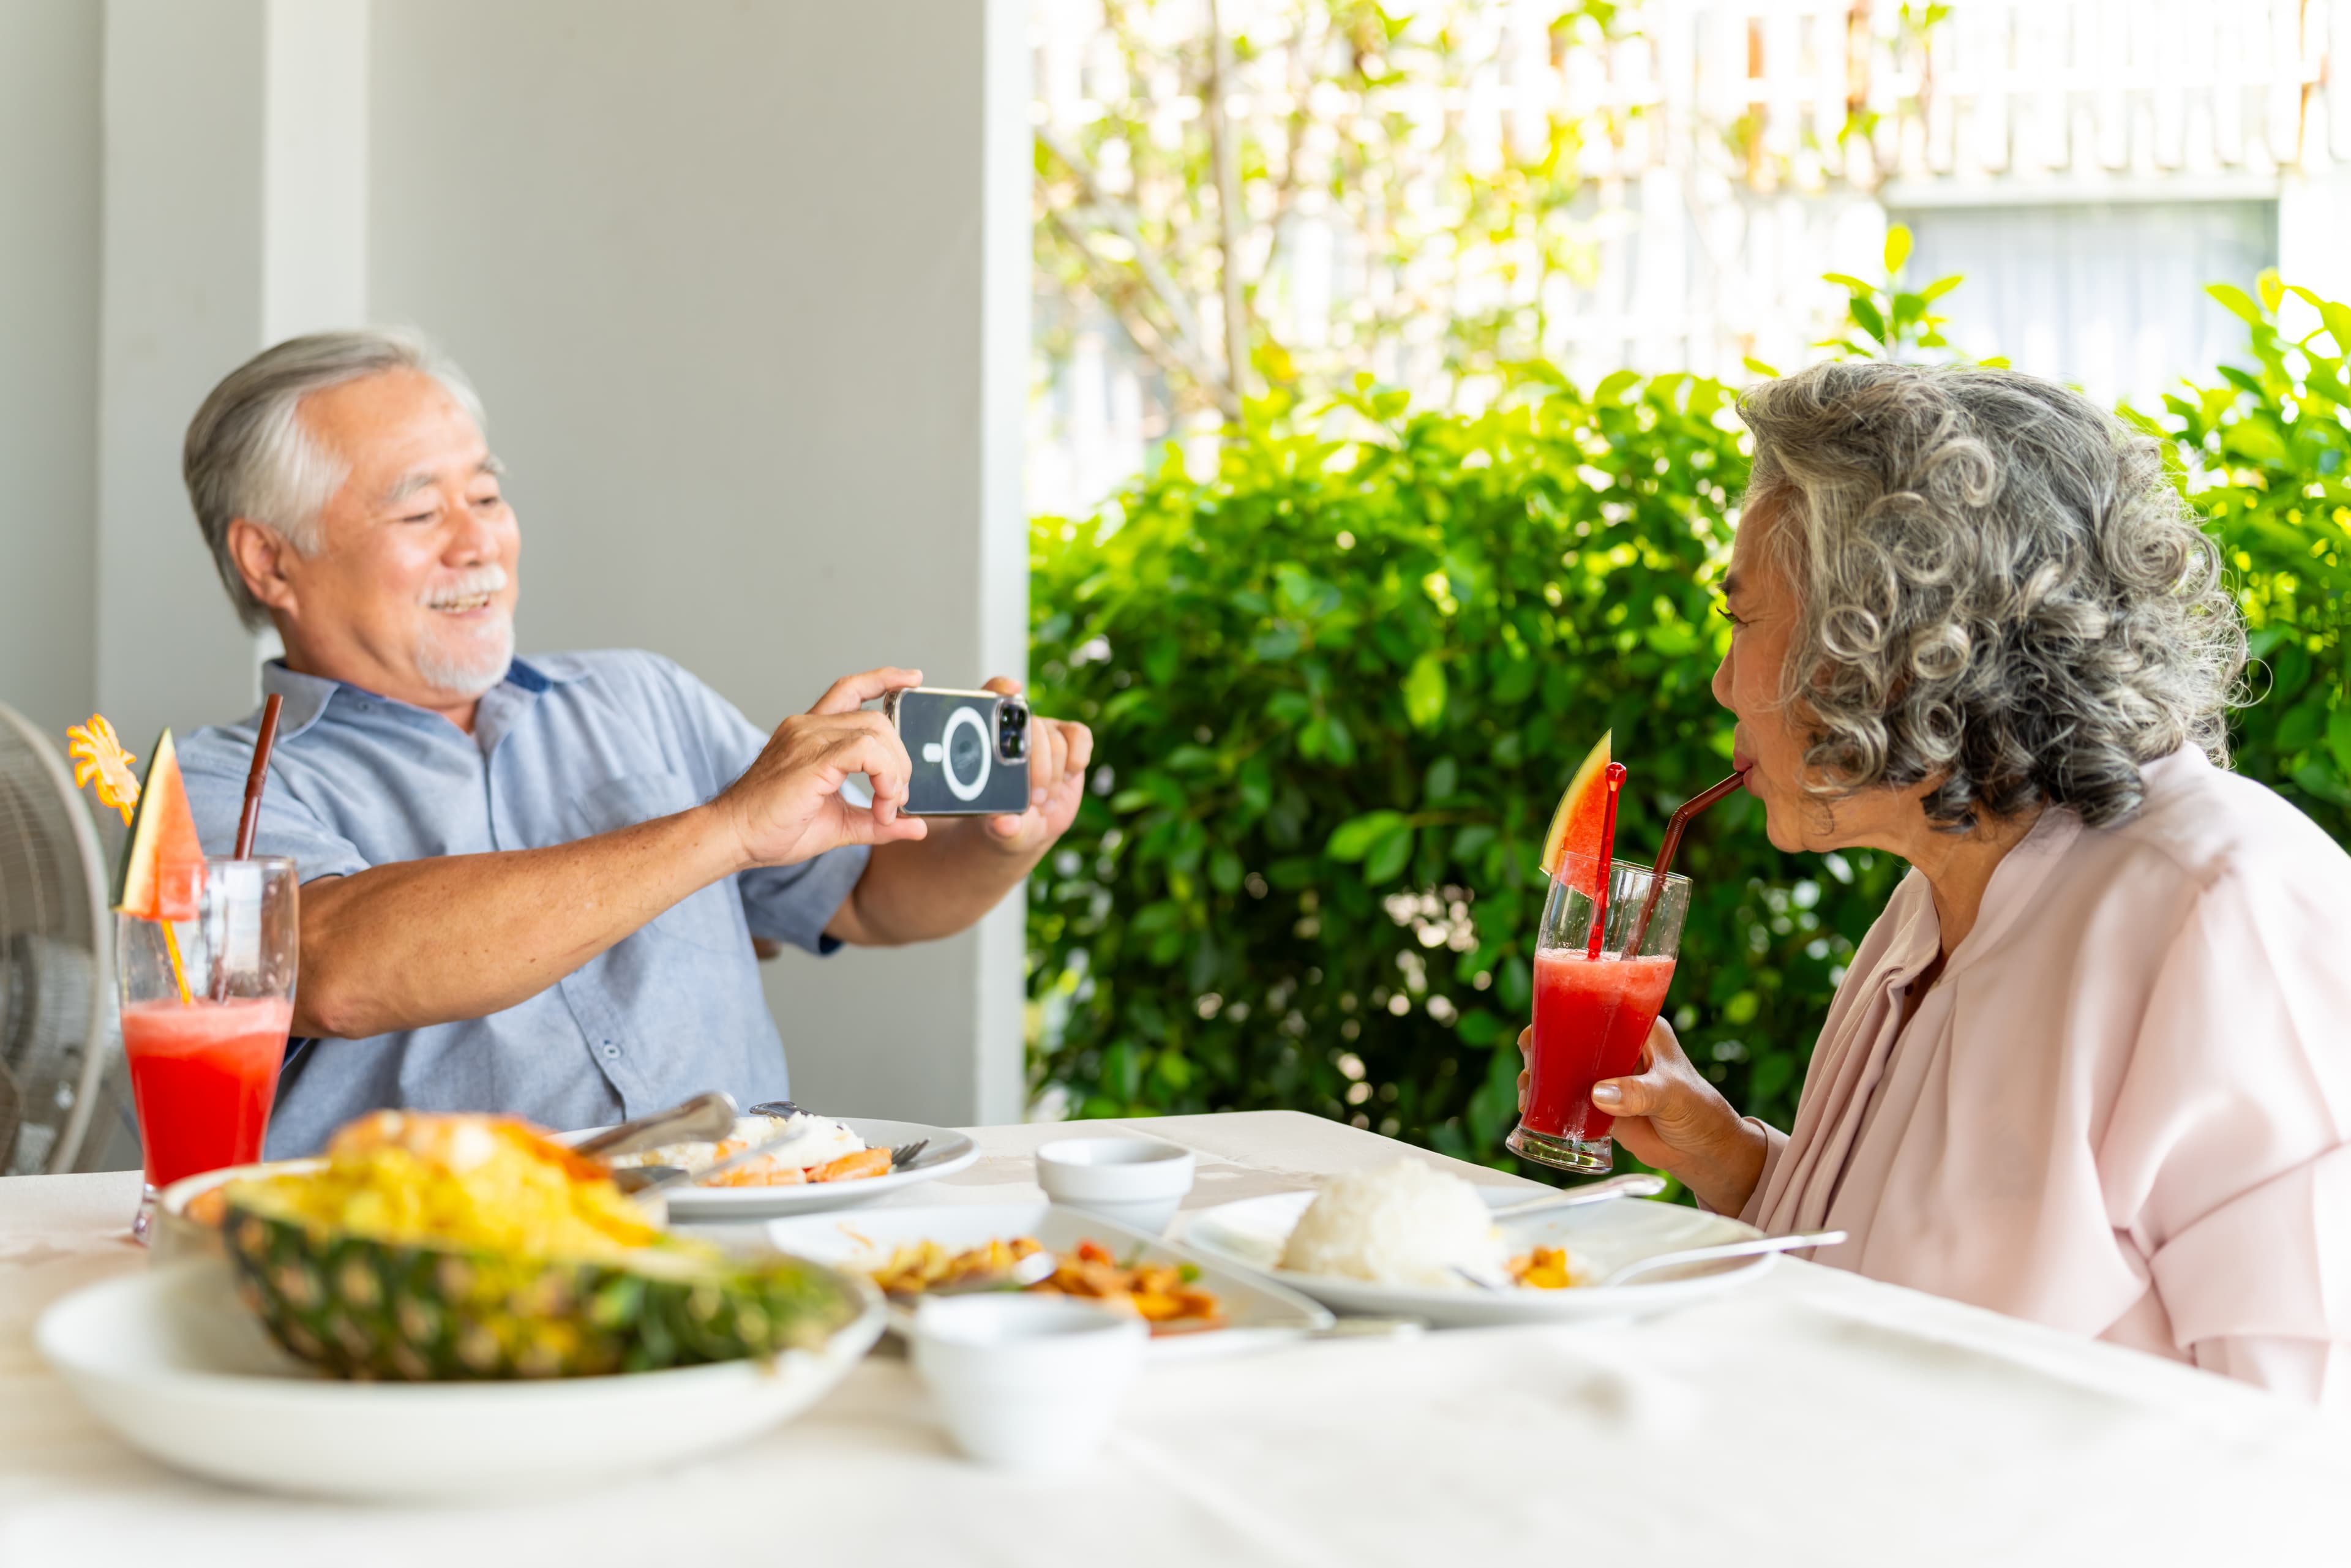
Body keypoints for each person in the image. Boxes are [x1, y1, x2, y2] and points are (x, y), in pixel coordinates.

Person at [1521, 360, 2351, 1404]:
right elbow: (1917, 1281)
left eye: (1742, 619)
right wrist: (1733, 1161)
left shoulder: (2229, 914)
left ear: (1889, 641)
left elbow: (2308, 1436)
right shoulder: (1935, 896)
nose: (1725, 682)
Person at [174, 329, 1089, 1157]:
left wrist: (1001, 844)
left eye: (487, 494)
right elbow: (334, 970)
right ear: (269, 560)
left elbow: (869, 900)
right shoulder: (216, 786)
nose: (480, 540)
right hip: (454, 1259)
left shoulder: (641, 696)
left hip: (745, 1227)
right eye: (420, 515)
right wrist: (725, 829)